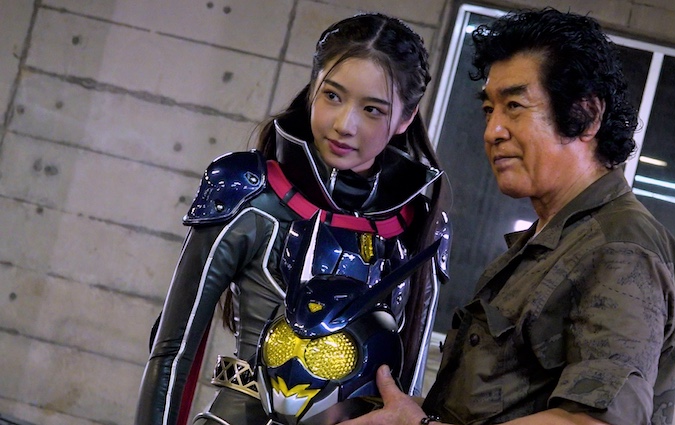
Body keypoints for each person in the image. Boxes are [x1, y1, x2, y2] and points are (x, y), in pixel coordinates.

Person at [339, 8, 675, 425]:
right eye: (490, 109)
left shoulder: (618, 246)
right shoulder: (553, 238)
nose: (493, 131)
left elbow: (596, 422)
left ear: (587, 115)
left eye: (515, 106)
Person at [135, 12, 451, 425]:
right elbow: (172, 352)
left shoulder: (418, 223)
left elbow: (407, 385)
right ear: (312, 86)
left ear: (405, 118)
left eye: (373, 109)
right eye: (332, 96)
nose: (345, 125)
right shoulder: (249, 191)